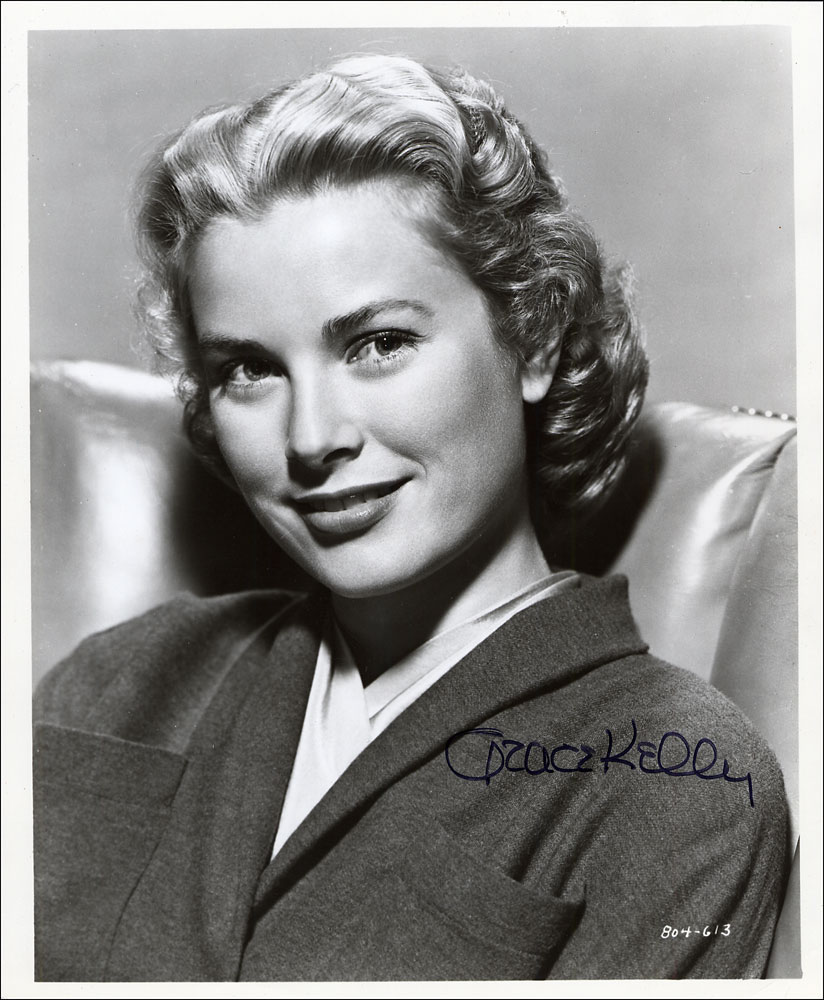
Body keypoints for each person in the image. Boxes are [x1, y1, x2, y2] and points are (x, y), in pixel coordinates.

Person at [33, 54, 789, 981]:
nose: (313, 438)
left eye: (379, 343)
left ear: (535, 338)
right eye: (250, 369)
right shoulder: (120, 679)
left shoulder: (679, 782)